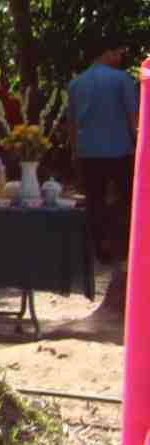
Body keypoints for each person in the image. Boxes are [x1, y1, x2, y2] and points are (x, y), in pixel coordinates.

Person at [69, 38, 137, 311]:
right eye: (118, 52)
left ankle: (100, 251)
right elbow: (134, 117)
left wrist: (75, 151)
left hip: (89, 151)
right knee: (125, 199)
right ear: (107, 53)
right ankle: (124, 247)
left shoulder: (77, 84)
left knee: (94, 200)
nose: (120, 57)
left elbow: (72, 123)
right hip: (120, 150)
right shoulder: (122, 80)